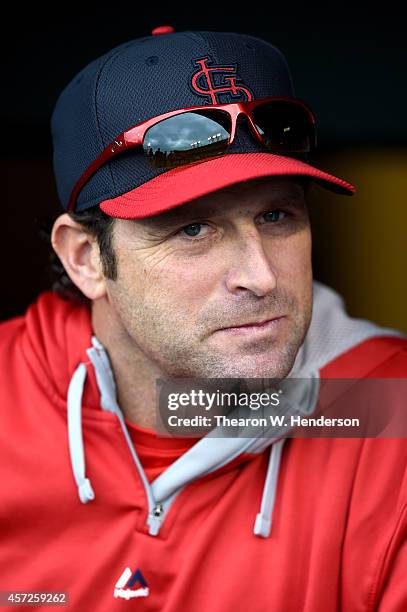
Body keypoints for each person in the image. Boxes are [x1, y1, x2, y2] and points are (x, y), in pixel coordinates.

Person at [1, 26, 406, 611]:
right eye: (193, 229)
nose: (262, 277)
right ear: (87, 259)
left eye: (276, 216)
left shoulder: (383, 413)